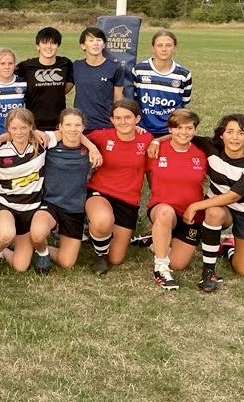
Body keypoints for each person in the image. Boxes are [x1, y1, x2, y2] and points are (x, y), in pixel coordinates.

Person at [183, 114, 244, 292]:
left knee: (243, 270)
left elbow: (233, 197)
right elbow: (181, 135)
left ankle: (228, 247)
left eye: (241, 133)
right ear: (221, 135)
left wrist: (195, 206)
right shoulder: (211, 147)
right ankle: (208, 272)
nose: (235, 137)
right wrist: (156, 142)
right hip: (220, 206)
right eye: (230, 132)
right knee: (214, 212)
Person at [0, 108, 58, 276]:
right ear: (8, 128)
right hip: (6, 205)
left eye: (24, 127)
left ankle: (8, 249)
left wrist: (92, 147)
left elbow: (67, 133)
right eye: (14, 128)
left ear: (31, 127)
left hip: (32, 209)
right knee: (6, 233)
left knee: (21, 266)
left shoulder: (41, 144)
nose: (19, 132)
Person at [85, 99, 154, 274]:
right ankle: (100, 254)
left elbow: (173, 136)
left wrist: (159, 141)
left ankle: (98, 235)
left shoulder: (146, 139)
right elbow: (73, 133)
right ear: (112, 120)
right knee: (103, 221)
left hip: (128, 201)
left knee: (116, 259)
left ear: (137, 119)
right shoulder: (102, 136)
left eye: (128, 117)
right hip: (101, 192)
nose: (123, 122)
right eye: (118, 118)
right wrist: (91, 146)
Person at [28, 108, 99, 271]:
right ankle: (42, 252)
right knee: (38, 233)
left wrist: (92, 147)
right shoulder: (49, 144)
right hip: (50, 203)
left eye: (77, 125)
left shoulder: (90, 149)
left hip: (74, 209)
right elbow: (25, 133)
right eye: (68, 125)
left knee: (67, 263)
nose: (73, 129)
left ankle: (33, 248)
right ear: (60, 127)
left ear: (83, 127)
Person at [144, 109, 207, 291]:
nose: (184, 132)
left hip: (191, 216)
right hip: (163, 210)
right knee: (165, 212)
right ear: (170, 129)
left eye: (189, 128)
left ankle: (156, 241)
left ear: (195, 130)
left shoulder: (202, 153)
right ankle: (160, 268)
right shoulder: (155, 149)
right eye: (179, 128)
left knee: (178, 264)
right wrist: (156, 140)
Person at [131, 30, 192, 136]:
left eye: (168, 45)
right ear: (153, 48)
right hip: (142, 130)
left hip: (170, 132)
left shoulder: (184, 74)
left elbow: (183, 104)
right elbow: (133, 100)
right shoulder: (139, 70)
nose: (164, 49)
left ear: (175, 48)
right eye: (160, 45)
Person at [16, 27, 73, 131]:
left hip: (59, 124)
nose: (49, 47)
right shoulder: (25, 66)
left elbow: (70, 84)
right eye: (44, 43)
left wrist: (55, 91)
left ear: (58, 46)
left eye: (53, 43)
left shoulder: (66, 64)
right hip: (33, 125)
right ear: (37, 46)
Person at [72, 27, 124, 132]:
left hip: (105, 125)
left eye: (99, 40)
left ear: (104, 45)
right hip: (81, 125)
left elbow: (118, 99)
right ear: (83, 45)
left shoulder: (115, 67)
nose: (95, 43)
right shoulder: (76, 66)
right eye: (91, 40)